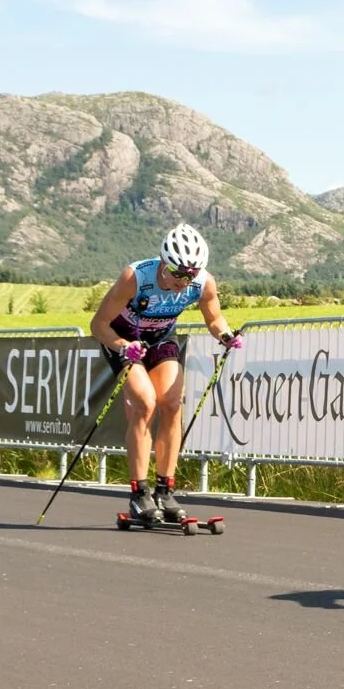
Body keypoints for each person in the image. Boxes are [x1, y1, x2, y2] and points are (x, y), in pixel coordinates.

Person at [86, 223, 241, 525]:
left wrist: (225, 336)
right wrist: (121, 346)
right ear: (164, 263)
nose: (186, 280)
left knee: (171, 403)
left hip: (160, 340)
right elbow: (98, 324)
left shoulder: (202, 283)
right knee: (145, 404)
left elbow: (214, 317)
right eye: (180, 273)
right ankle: (139, 493)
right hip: (122, 339)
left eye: (192, 274)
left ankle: (165, 490)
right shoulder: (136, 277)